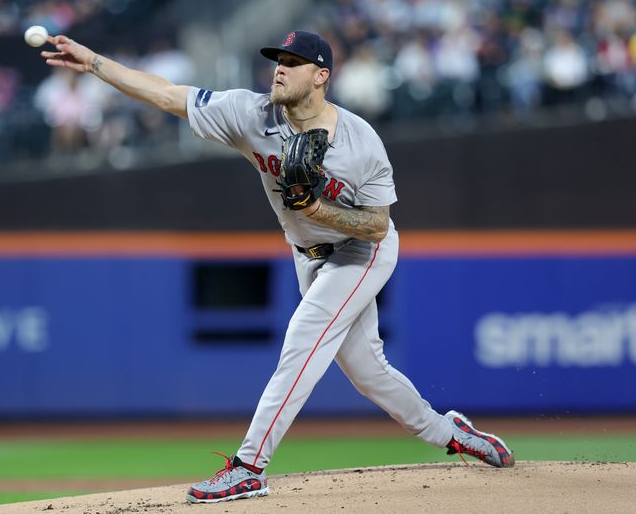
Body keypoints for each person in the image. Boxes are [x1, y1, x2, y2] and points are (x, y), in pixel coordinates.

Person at [40, 29, 515, 504]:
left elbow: (375, 225)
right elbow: (167, 95)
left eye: (293, 61)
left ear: (321, 75)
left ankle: (249, 467)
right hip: (307, 256)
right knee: (369, 373)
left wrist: (313, 208)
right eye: (277, 59)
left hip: (361, 252)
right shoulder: (251, 113)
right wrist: (94, 62)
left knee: (302, 340)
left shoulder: (359, 140)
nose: (280, 68)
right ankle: (450, 432)